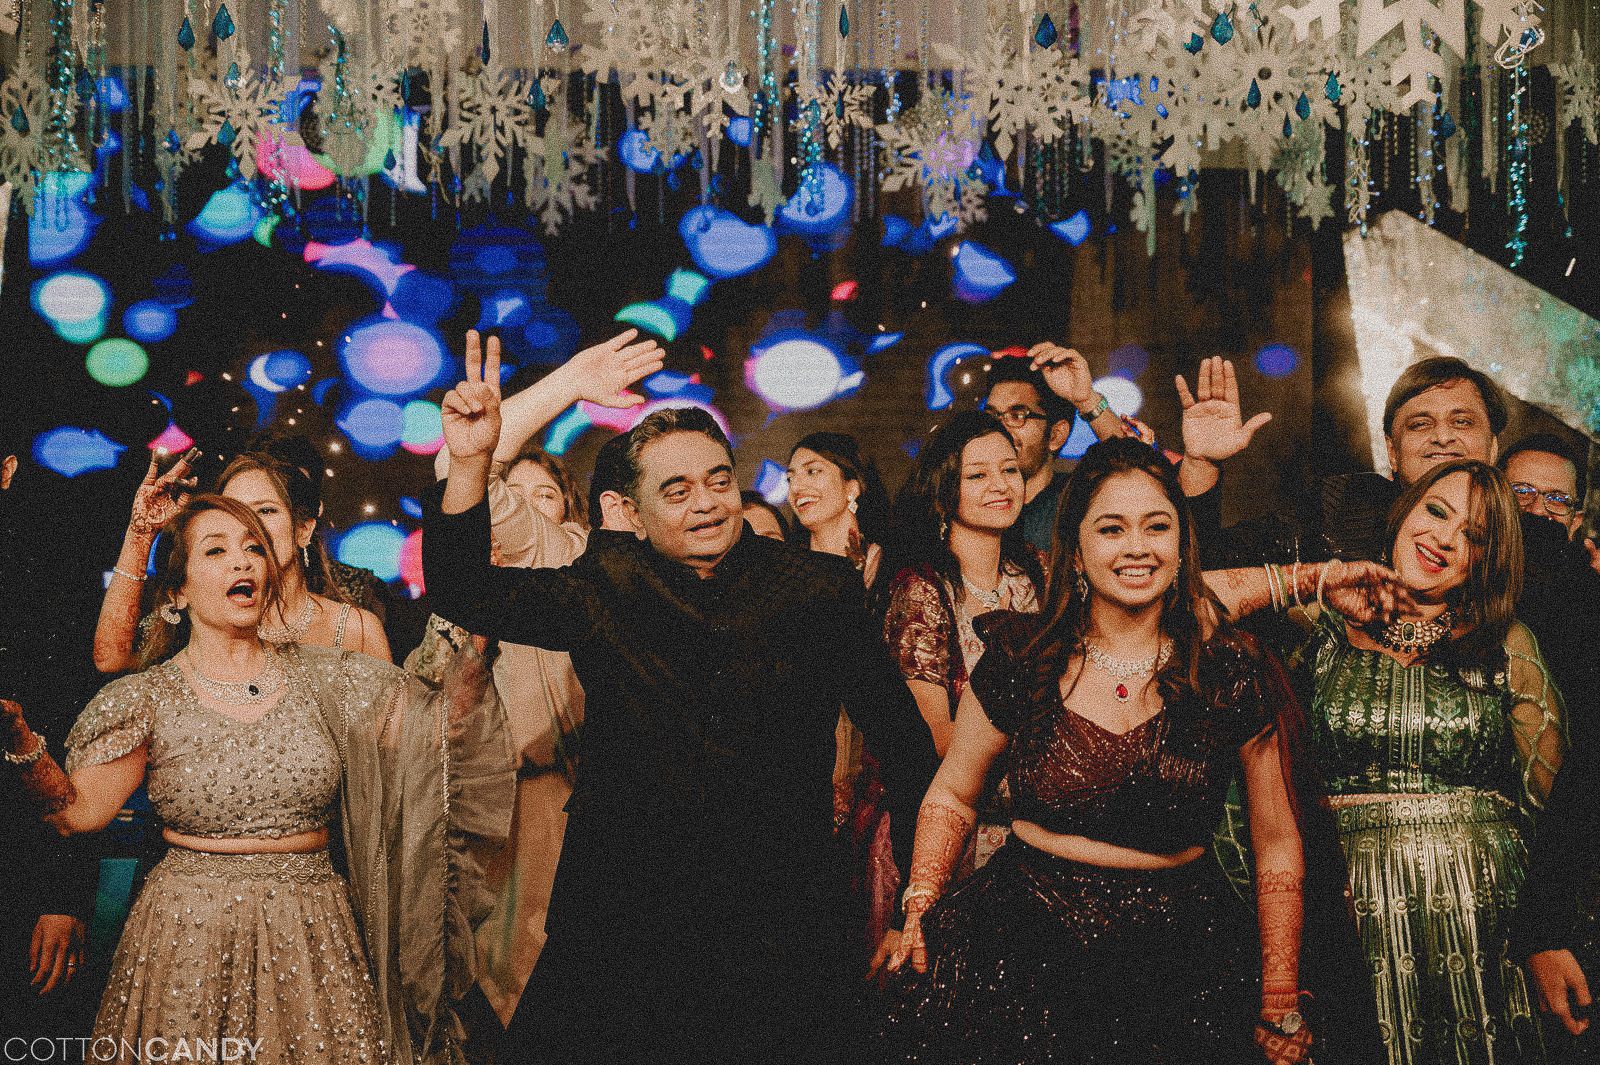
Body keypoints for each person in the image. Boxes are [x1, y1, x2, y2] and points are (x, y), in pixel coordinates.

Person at [422, 333, 940, 1065]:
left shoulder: (818, 590)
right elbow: (460, 589)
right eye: (676, 491)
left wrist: (915, 902)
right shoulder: (607, 586)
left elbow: (907, 747)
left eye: (718, 481)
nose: (706, 504)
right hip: (622, 927)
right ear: (631, 513)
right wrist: (473, 461)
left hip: (779, 930)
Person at [0, 494, 515, 1065]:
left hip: (313, 932)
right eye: (216, 551)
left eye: (253, 549)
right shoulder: (147, 697)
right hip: (188, 933)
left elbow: (435, 727)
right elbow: (77, 814)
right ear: (178, 593)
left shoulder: (328, 680)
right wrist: (19, 741)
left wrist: (472, 624)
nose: (242, 561)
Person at [875, 437, 1315, 1064]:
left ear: (1182, 545)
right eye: (1112, 529)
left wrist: (1279, 993)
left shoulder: (1228, 671)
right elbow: (954, 790)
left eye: (1157, 526)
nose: (1137, 547)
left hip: (1180, 960)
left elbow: (1275, 839)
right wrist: (921, 904)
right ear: (1077, 552)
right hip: (1020, 949)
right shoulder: (1024, 658)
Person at [1209, 459, 1565, 1065]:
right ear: (1403, 513)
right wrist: (1316, 579)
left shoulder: (1509, 644)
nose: (1444, 538)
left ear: (1488, 561)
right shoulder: (1316, 626)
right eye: (1436, 511)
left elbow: (1551, 809)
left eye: (1474, 536)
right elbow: (1175, 608)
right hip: (1345, 920)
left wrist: (1547, 934)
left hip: (1486, 920)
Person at [431, 328, 664, 1028]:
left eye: (546, 496)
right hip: (500, 811)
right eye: (515, 497)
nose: (527, 509)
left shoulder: (591, 564)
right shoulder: (496, 578)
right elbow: (460, 466)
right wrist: (565, 385)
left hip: (607, 812)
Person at [93, 450, 391, 671]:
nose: (250, 525)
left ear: (303, 529)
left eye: (266, 511)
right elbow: (110, 660)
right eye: (235, 512)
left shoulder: (357, 629)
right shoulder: (206, 619)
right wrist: (141, 533)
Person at [0, 418, 103, 1047]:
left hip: (19, 869)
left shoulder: (49, 582)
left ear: (6, 471)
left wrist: (63, 893)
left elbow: (79, 740)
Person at [1211, 354, 1507, 567]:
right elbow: (1211, 563)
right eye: (1420, 424)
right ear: (1392, 452)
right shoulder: (1338, 505)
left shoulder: (1523, 537)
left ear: (1493, 447)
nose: (1442, 437)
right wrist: (1202, 464)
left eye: (1462, 422)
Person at [786, 431, 891, 585]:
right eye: (789, 479)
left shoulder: (890, 568)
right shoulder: (787, 574)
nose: (795, 487)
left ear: (852, 488)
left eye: (812, 471)